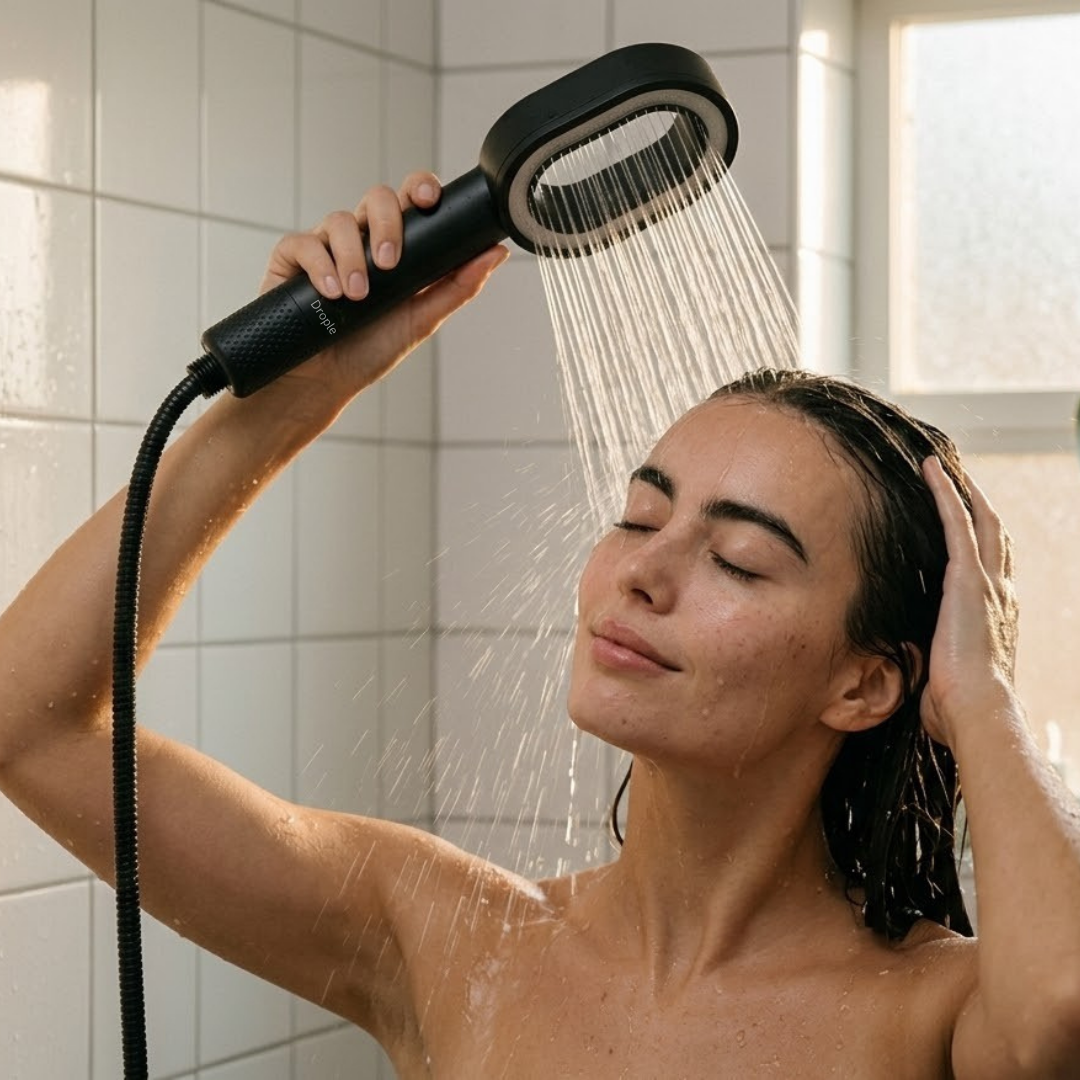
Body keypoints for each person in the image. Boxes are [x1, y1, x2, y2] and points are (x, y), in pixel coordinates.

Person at [1, 171, 1079, 1079]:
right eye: (639, 515)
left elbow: (1061, 1009)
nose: (641, 572)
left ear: (867, 683)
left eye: (737, 559)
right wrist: (294, 395)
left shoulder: (931, 1013)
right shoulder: (448, 936)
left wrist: (978, 700)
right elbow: (29, 725)